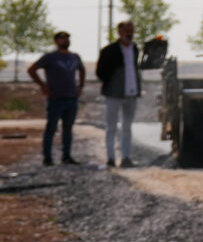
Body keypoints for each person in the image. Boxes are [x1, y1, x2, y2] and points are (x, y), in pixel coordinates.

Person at [27, 31, 84, 166]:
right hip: (56, 98)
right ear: (56, 41)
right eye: (62, 39)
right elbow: (32, 70)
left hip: (71, 97)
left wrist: (80, 85)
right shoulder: (50, 57)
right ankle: (47, 158)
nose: (65, 41)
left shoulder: (74, 57)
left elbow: (82, 70)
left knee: (68, 128)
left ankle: (66, 156)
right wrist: (43, 85)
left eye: (67, 38)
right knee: (51, 128)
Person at [96, 20, 146, 168]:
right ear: (119, 32)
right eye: (126, 31)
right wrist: (113, 83)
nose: (129, 34)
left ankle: (126, 157)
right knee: (111, 127)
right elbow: (101, 72)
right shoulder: (109, 50)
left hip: (131, 93)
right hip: (114, 94)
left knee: (127, 127)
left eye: (131, 31)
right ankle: (111, 158)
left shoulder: (134, 49)